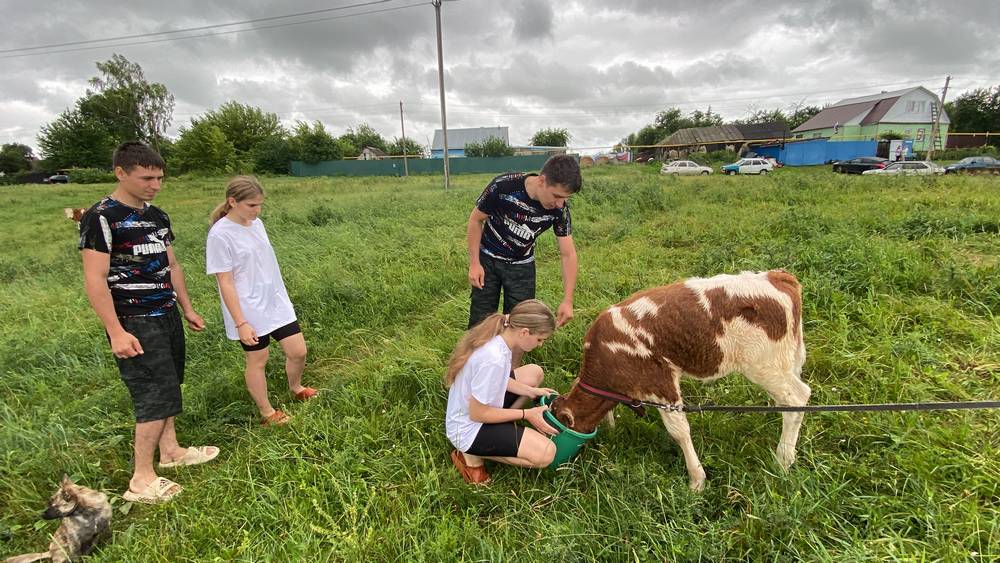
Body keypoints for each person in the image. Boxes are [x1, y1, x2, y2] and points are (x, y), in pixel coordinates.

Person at [79, 141, 218, 505]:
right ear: (120, 173)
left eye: (159, 178)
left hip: (166, 312)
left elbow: (172, 265)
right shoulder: (102, 218)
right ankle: (141, 480)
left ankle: (170, 451)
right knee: (153, 393)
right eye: (146, 178)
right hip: (133, 319)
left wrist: (187, 308)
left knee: (170, 384)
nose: (154, 185)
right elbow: (95, 279)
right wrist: (116, 331)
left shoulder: (157, 216)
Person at [205, 175, 316, 426]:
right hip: (247, 308)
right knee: (258, 360)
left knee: (298, 351)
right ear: (232, 202)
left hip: (274, 302)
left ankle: (296, 387)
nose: (257, 210)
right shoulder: (220, 235)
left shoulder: (257, 224)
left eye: (259, 205)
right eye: (251, 205)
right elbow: (225, 281)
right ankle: (268, 413)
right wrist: (241, 322)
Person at [444, 299, 560, 485]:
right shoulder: (494, 359)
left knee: (534, 373)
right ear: (524, 332)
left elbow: (500, 379)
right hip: (468, 427)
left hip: (474, 410)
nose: (540, 345)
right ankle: (471, 454)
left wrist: (530, 391)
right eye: (539, 339)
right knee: (547, 453)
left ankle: (504, 427)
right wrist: (526, 414)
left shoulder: (501, 339)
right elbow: (477, 413)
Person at [466, 154, 582, 339]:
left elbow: (568, 254)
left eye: (565, 199)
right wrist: (474, 263)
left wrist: (568, 300)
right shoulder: (503, 186)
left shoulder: (560, 210)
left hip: (522, 266)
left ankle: (511, 368)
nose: (559, 204)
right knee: (480, 324)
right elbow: (476, 219)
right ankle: (472, 365)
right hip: (488, 260)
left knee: (521, 327)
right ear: (542, 181)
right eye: (557, 196)